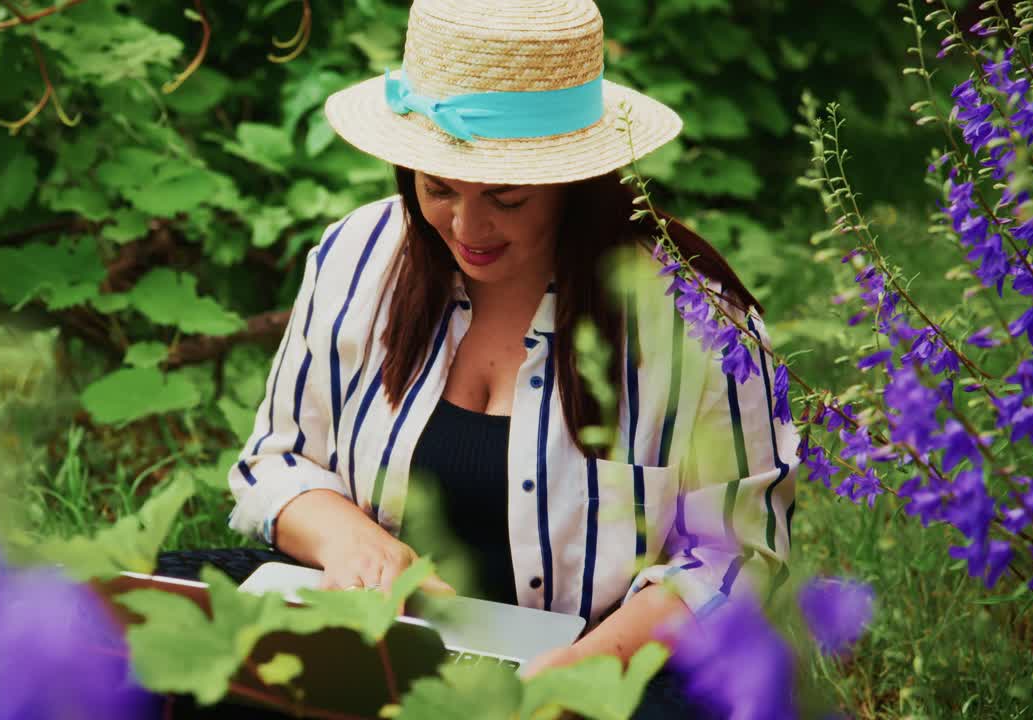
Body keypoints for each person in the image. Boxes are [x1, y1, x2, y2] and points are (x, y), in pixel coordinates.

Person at [160, 0, 797, 715]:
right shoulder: (355, 257)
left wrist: (579, 671)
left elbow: (735, 556)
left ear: (575, 185)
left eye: (506, 196)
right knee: (170, 620)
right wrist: (354, 542)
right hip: (390, 639)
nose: (467, 227)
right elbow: (274, 461)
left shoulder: (697, 325)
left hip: (603, 655)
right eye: (438, 188)